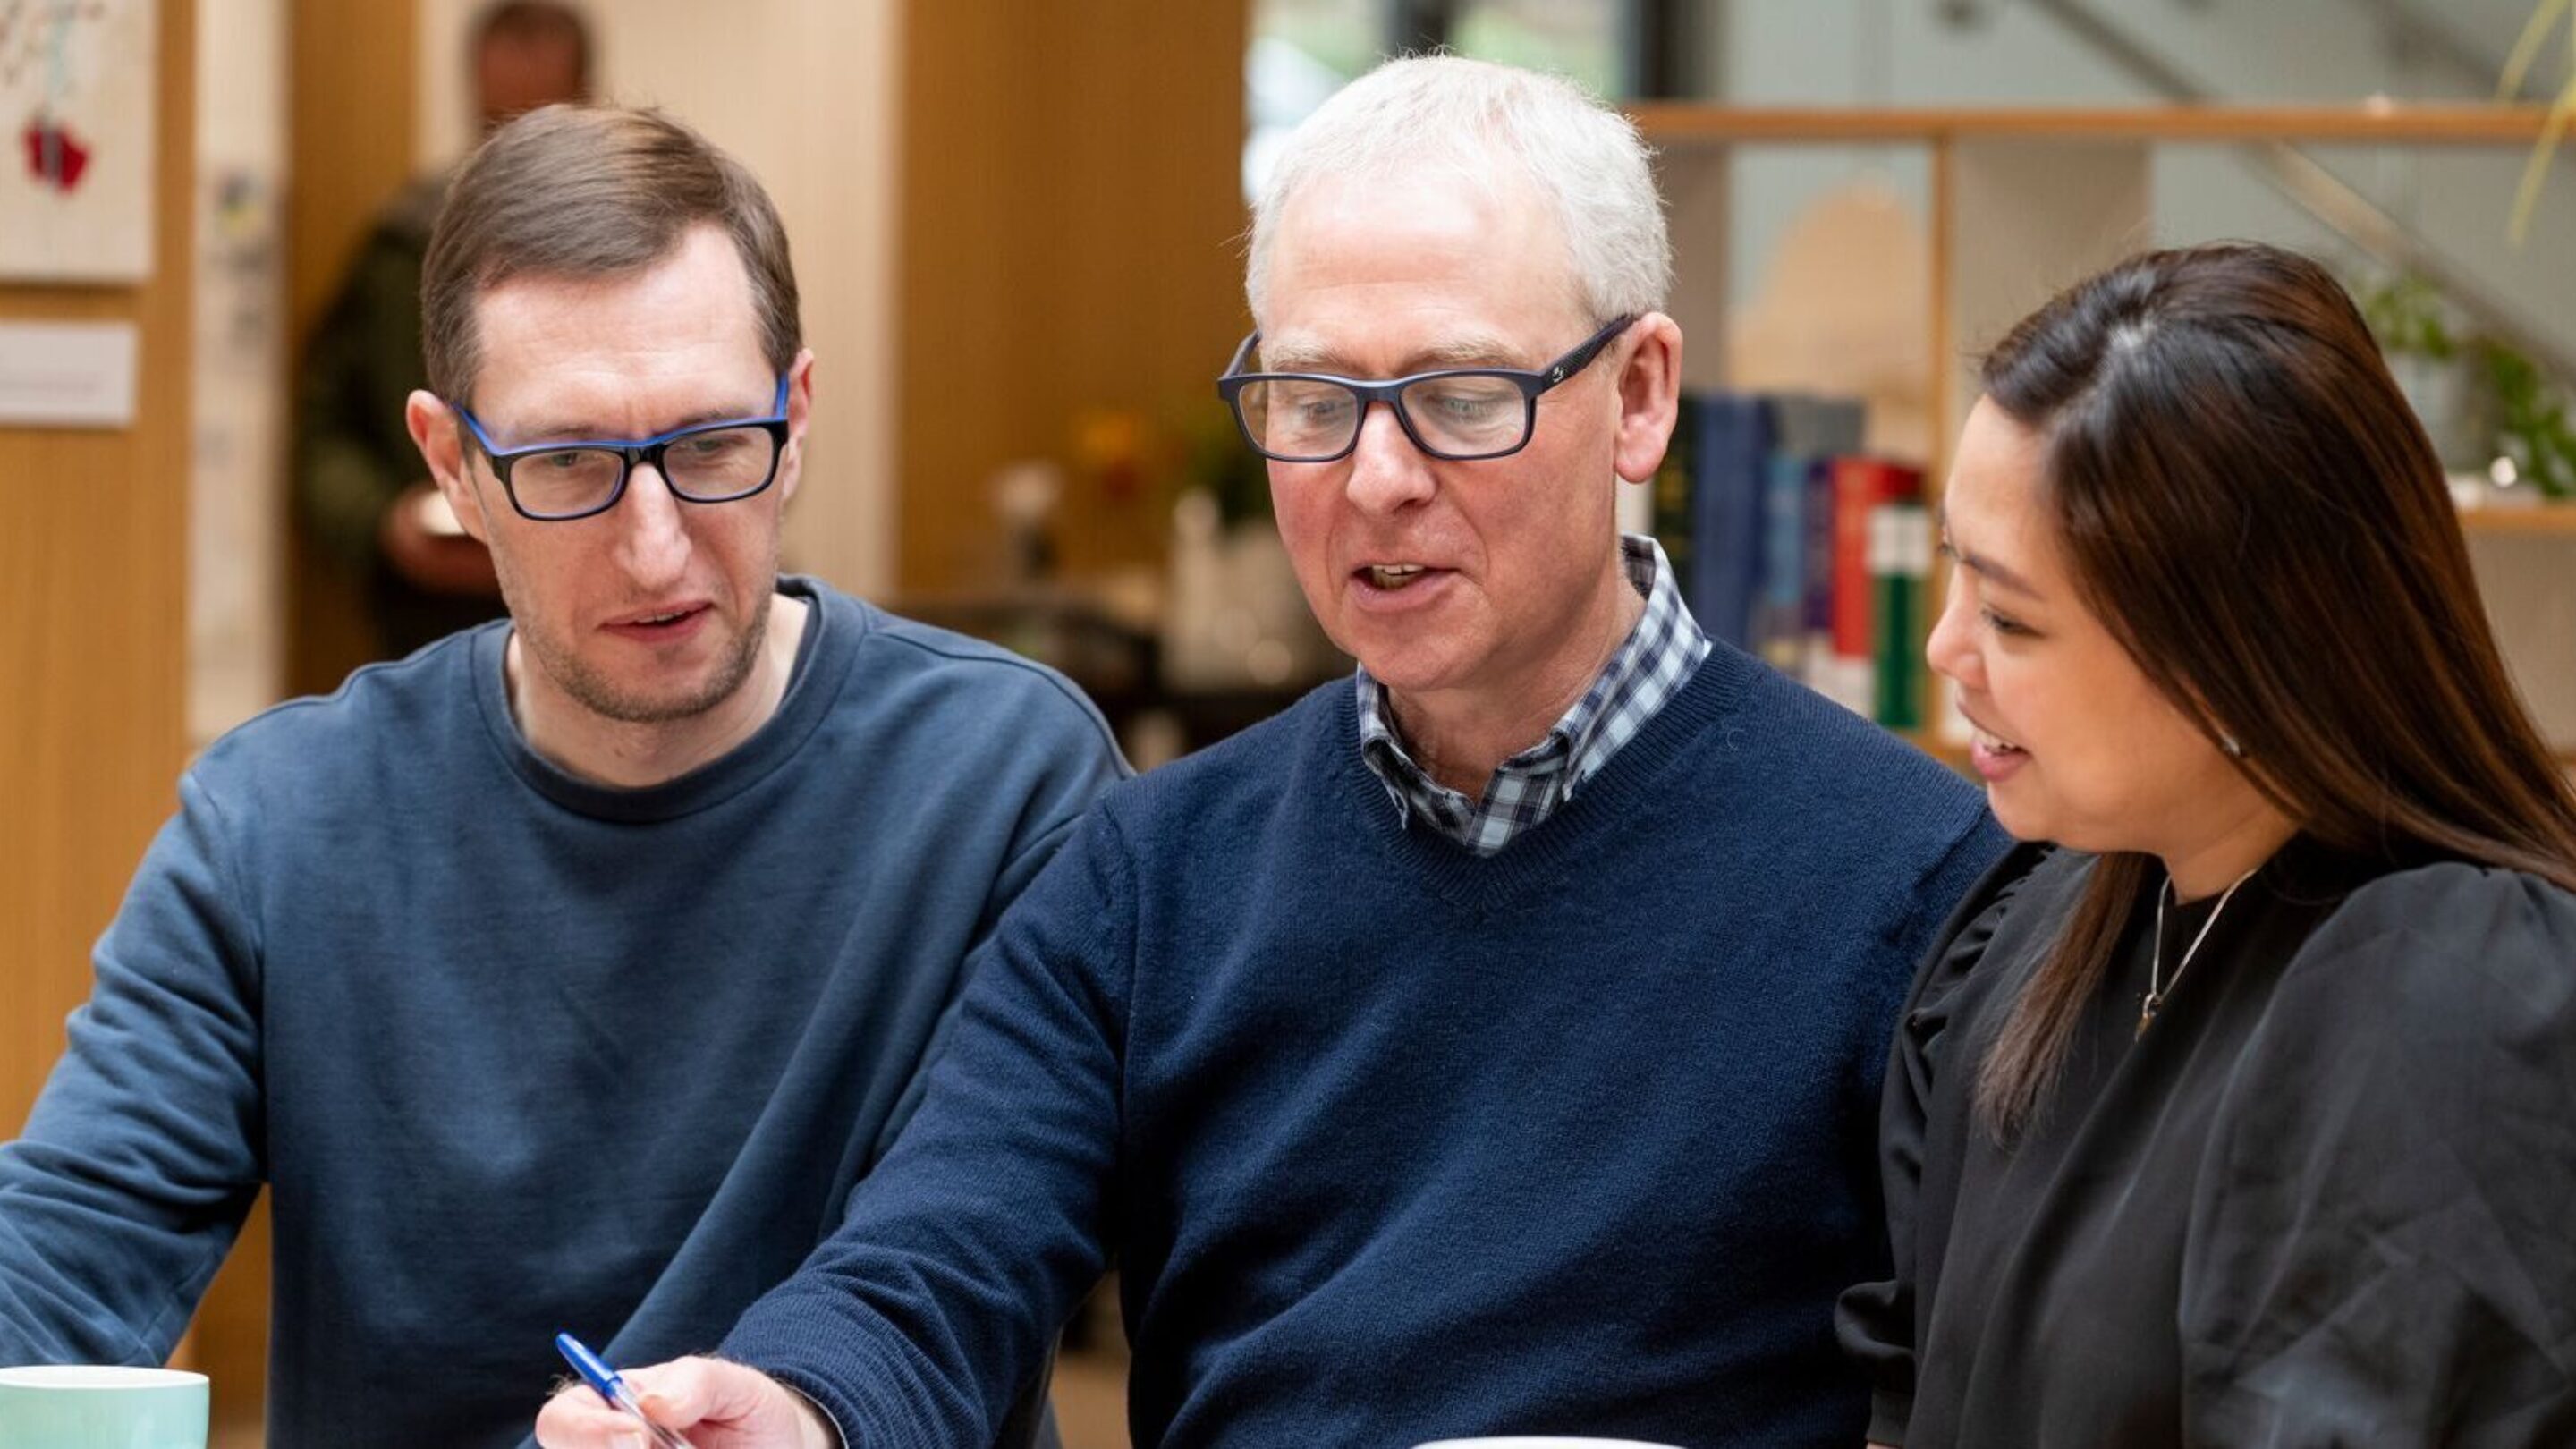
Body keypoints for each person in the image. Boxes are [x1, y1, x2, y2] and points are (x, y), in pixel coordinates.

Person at [536, 55, 2006, 1449]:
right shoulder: (1152, 872)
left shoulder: (1917, 876)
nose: (1375, 480)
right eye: (1314, 404)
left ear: (1637, 397)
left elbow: (2010, 1370)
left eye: (1458, 399)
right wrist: (800, 1407)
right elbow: (943, 1251)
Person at [0, 105, 1128, 1449]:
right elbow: (64, 1251)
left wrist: (808, 1405)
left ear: (799, 413)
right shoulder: (277, 824)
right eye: (569, 465)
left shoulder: (1006, 781)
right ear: (452, 468)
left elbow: (977, 1247)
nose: (655, 551)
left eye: (712, 447)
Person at [1835, 242, 2576, 1446]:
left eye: (2014, 617)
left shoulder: (2455, 999)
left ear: (2240, 648)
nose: (1945, 651)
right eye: (1957, 571)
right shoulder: (2030, 932)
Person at [295, 0, 591, 659]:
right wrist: (382, 526)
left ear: (582, 103)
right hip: (430, 621)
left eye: (538, 124)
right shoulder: (402, 245)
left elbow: (730, 428)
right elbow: (323, 431)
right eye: (499, 123)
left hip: (601, 600)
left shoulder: (649, 258)